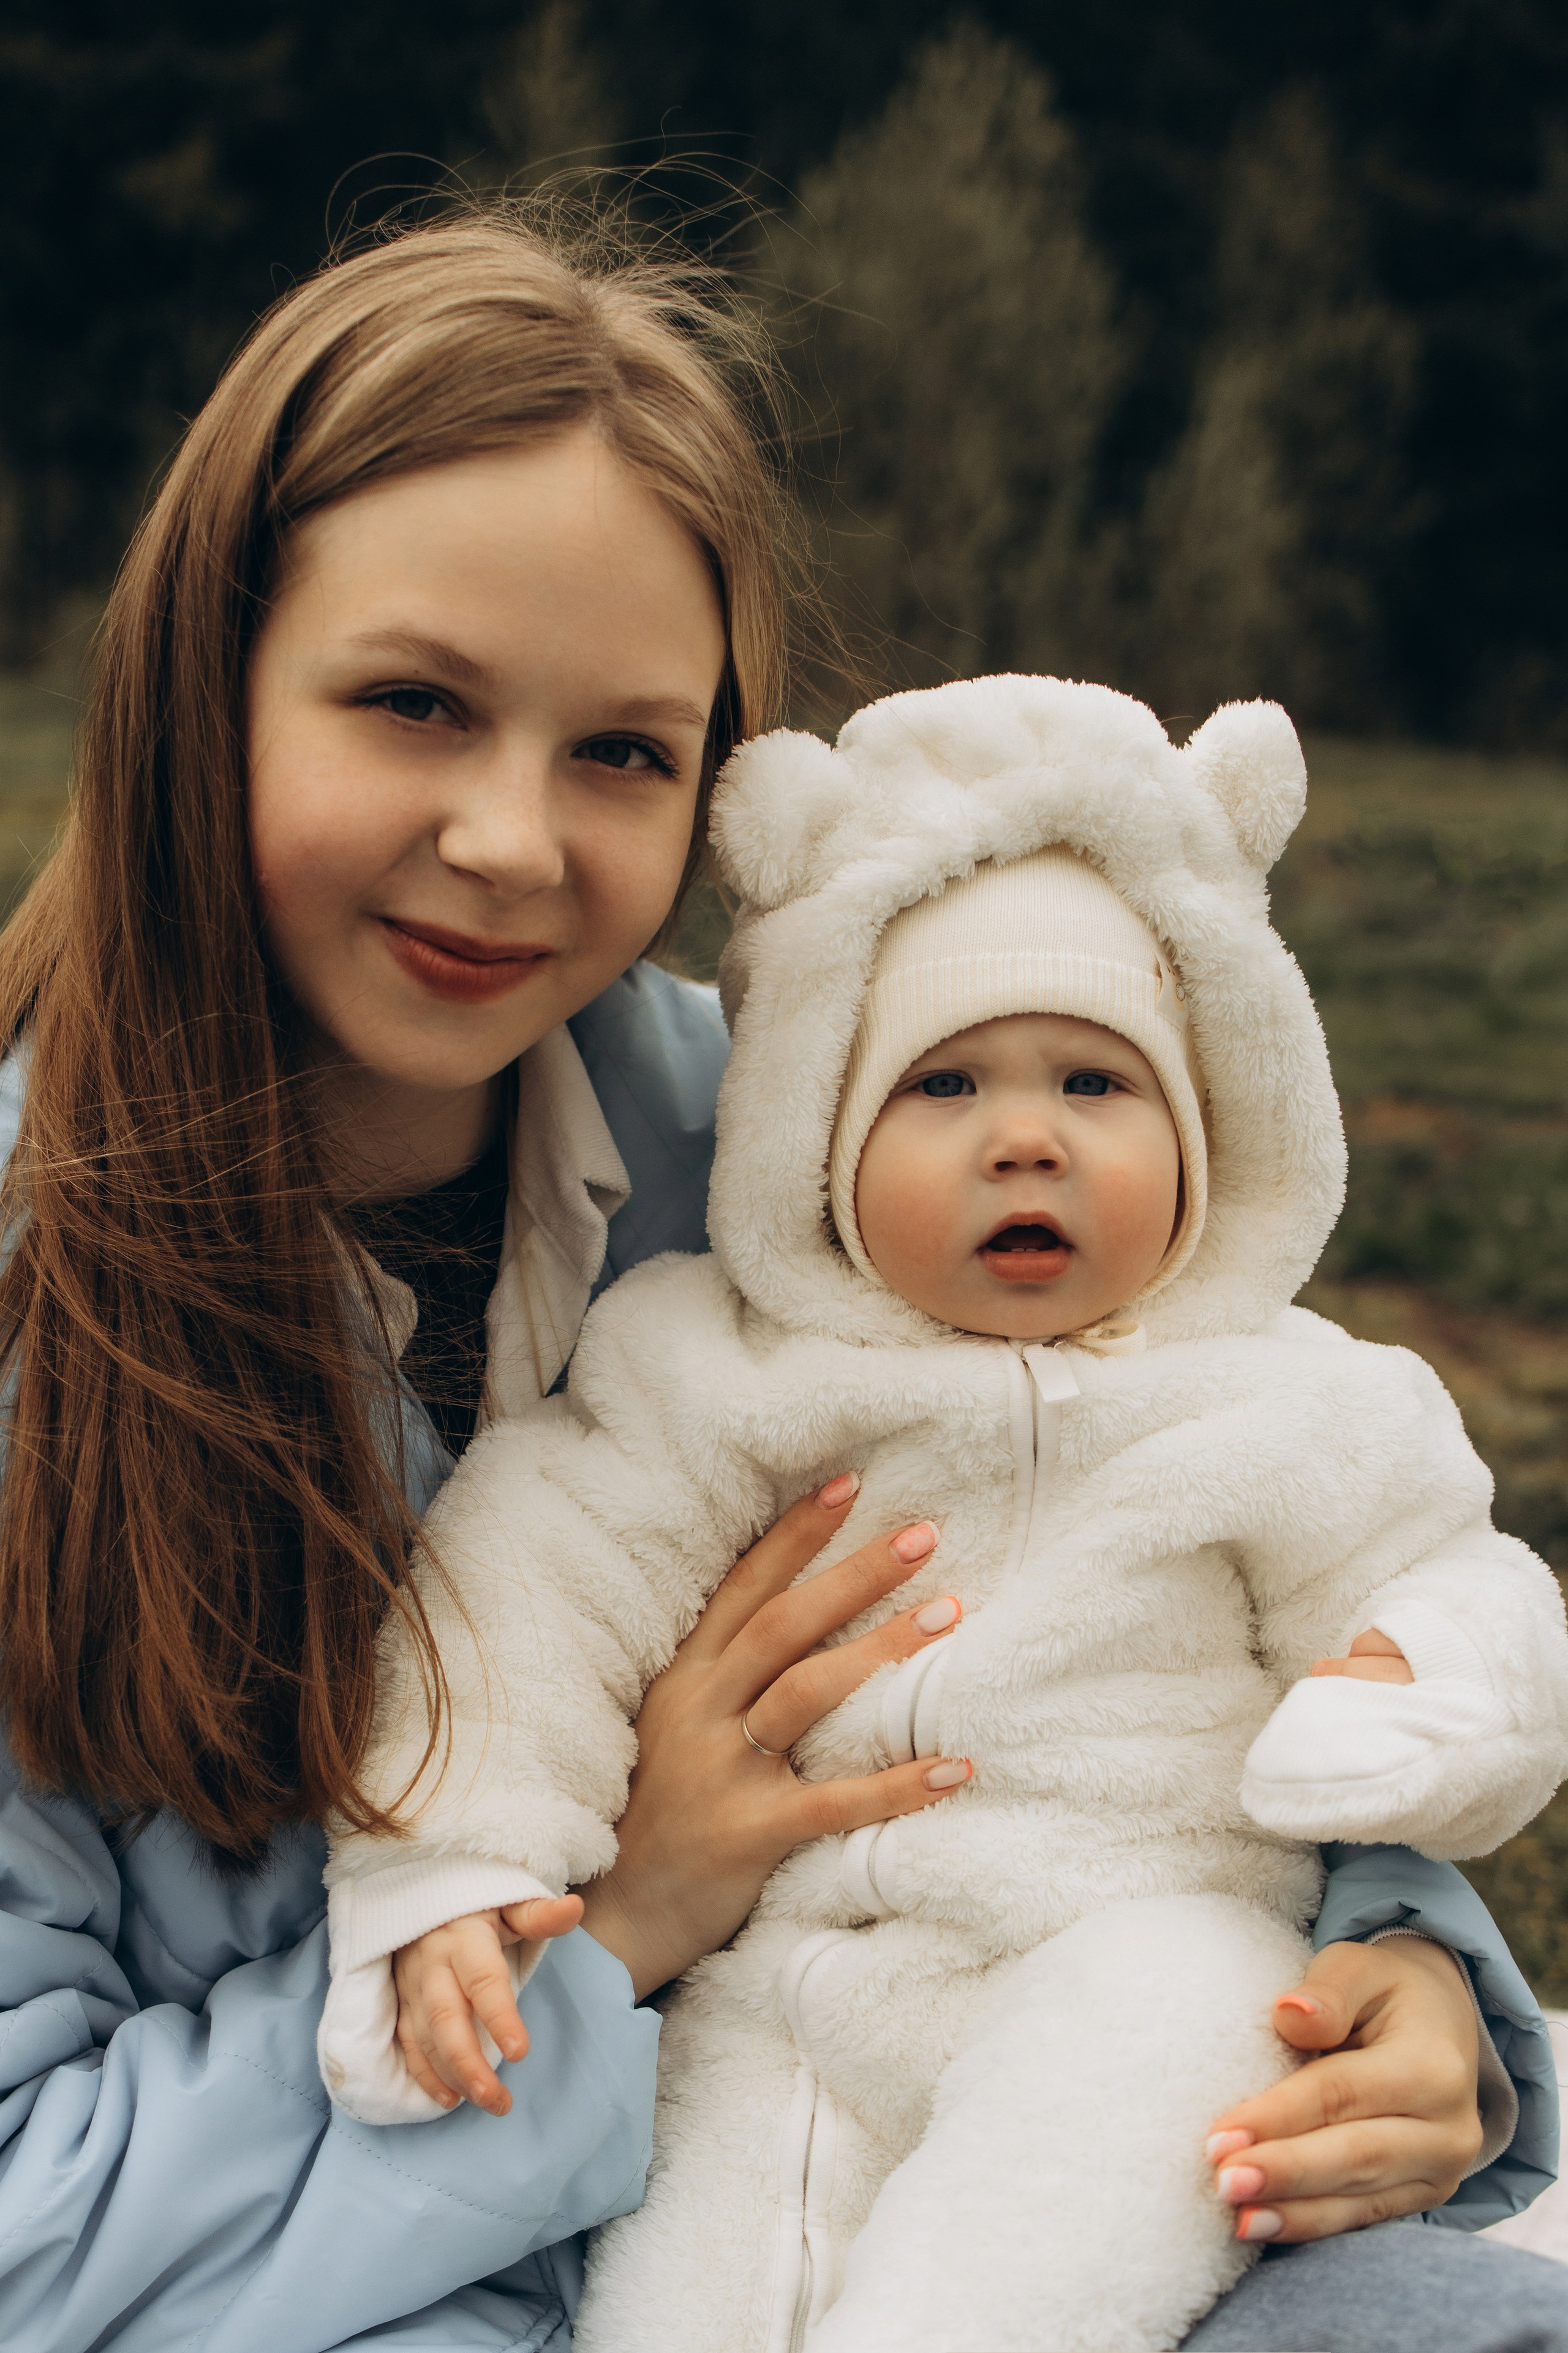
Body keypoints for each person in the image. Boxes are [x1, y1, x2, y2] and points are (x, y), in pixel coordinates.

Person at [0, 203, 1555, 2353]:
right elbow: (25, 2220)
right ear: (202, 683)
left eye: (624, 750)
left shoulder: (801, 1156)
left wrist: (1402, 1962)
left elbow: (1149, 1517)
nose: (517, 841)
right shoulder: (33, 1308)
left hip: (989, 2170)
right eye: (414, 704)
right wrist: (623, 1916)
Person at [320, 677, 1568, 2352]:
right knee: (696, 2269)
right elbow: (534, 1585)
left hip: (1137, 1942)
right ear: (819, 1142)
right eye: (947, 1086)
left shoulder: (1290, 1398)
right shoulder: (721, 1366)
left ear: (1213, 1133)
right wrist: (457, 1861)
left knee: (1114, 2096)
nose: (1027, 1138)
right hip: (782, 2002)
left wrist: (1410, 1698)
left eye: (1099, 1087)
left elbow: (1447, 1577)